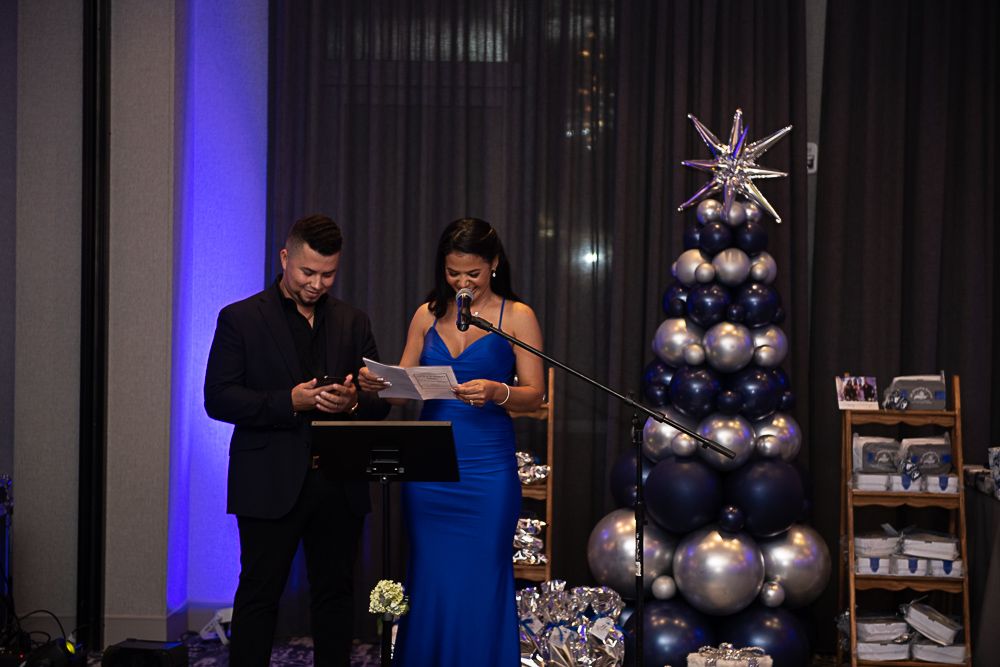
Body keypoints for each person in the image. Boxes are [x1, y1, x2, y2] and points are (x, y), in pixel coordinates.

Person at [205, 214, 389, 667]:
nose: (316, 284)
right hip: (268, 480)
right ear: (285, 257)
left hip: (339, 482)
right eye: (308, 272)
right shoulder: (240, 318)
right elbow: (219, 398)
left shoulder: (353, 321)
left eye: (328, 274)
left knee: (335, 597)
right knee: (259, 595)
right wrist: (289, 401)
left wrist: (351, 402)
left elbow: (379, 402)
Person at [359, 217, 544, 666]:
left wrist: (499, 391)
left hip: (487, 472)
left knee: (483, 580)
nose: (463, 282)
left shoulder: (516, 316)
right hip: (430, 472)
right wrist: (378, 383)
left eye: (473, 274)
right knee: (432, 579)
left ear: (494, 264)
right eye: (453, 273)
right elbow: (403, 386)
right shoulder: (426, 314)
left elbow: (535, 394)